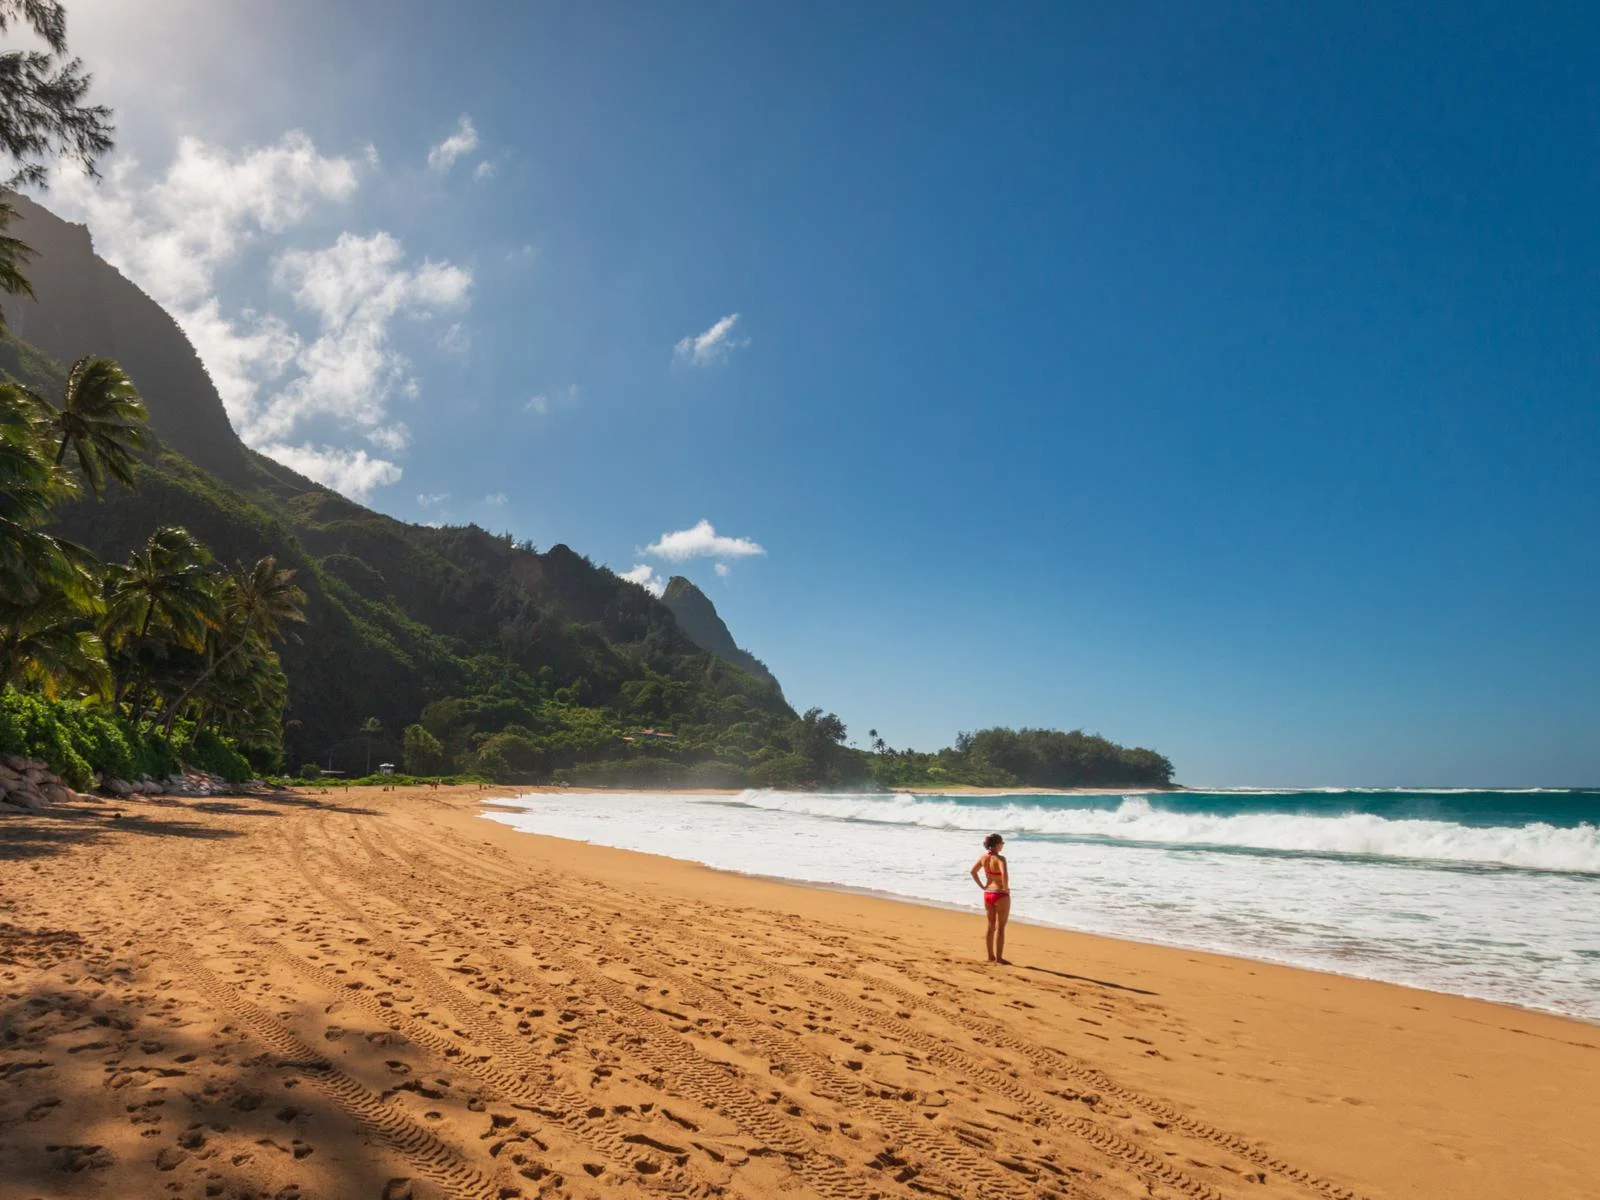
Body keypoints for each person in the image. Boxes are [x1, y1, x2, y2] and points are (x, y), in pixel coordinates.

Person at [969, 833, 1011, 964]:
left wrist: (982, 885)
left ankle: (990, 956)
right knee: (1001, 927)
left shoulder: (983, 858)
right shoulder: (1001, 859)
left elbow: (973, 871)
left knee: (990, 925)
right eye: (1002, 843)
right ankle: (999, 958)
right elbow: (1004, 874)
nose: (1003, 845)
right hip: (1000, 894)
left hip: (988, 893)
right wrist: (1005, 888)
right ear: (997, 844)